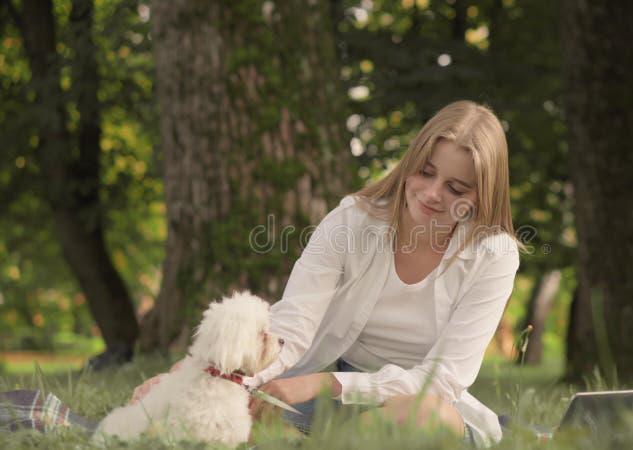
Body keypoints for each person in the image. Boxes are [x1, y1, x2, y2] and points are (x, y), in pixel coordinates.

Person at [23, 100, 521, 447]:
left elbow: (442, 381)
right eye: (426, 172)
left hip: (414, 404)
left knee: (413, 423)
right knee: (221, 421)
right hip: (321, 386)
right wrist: (193, 377)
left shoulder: (493, 255)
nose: (433, 195)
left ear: (483, 194)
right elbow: (290, 327)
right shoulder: (353, 220)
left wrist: (327, 387)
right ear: (411, 164)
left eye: (458, 187)